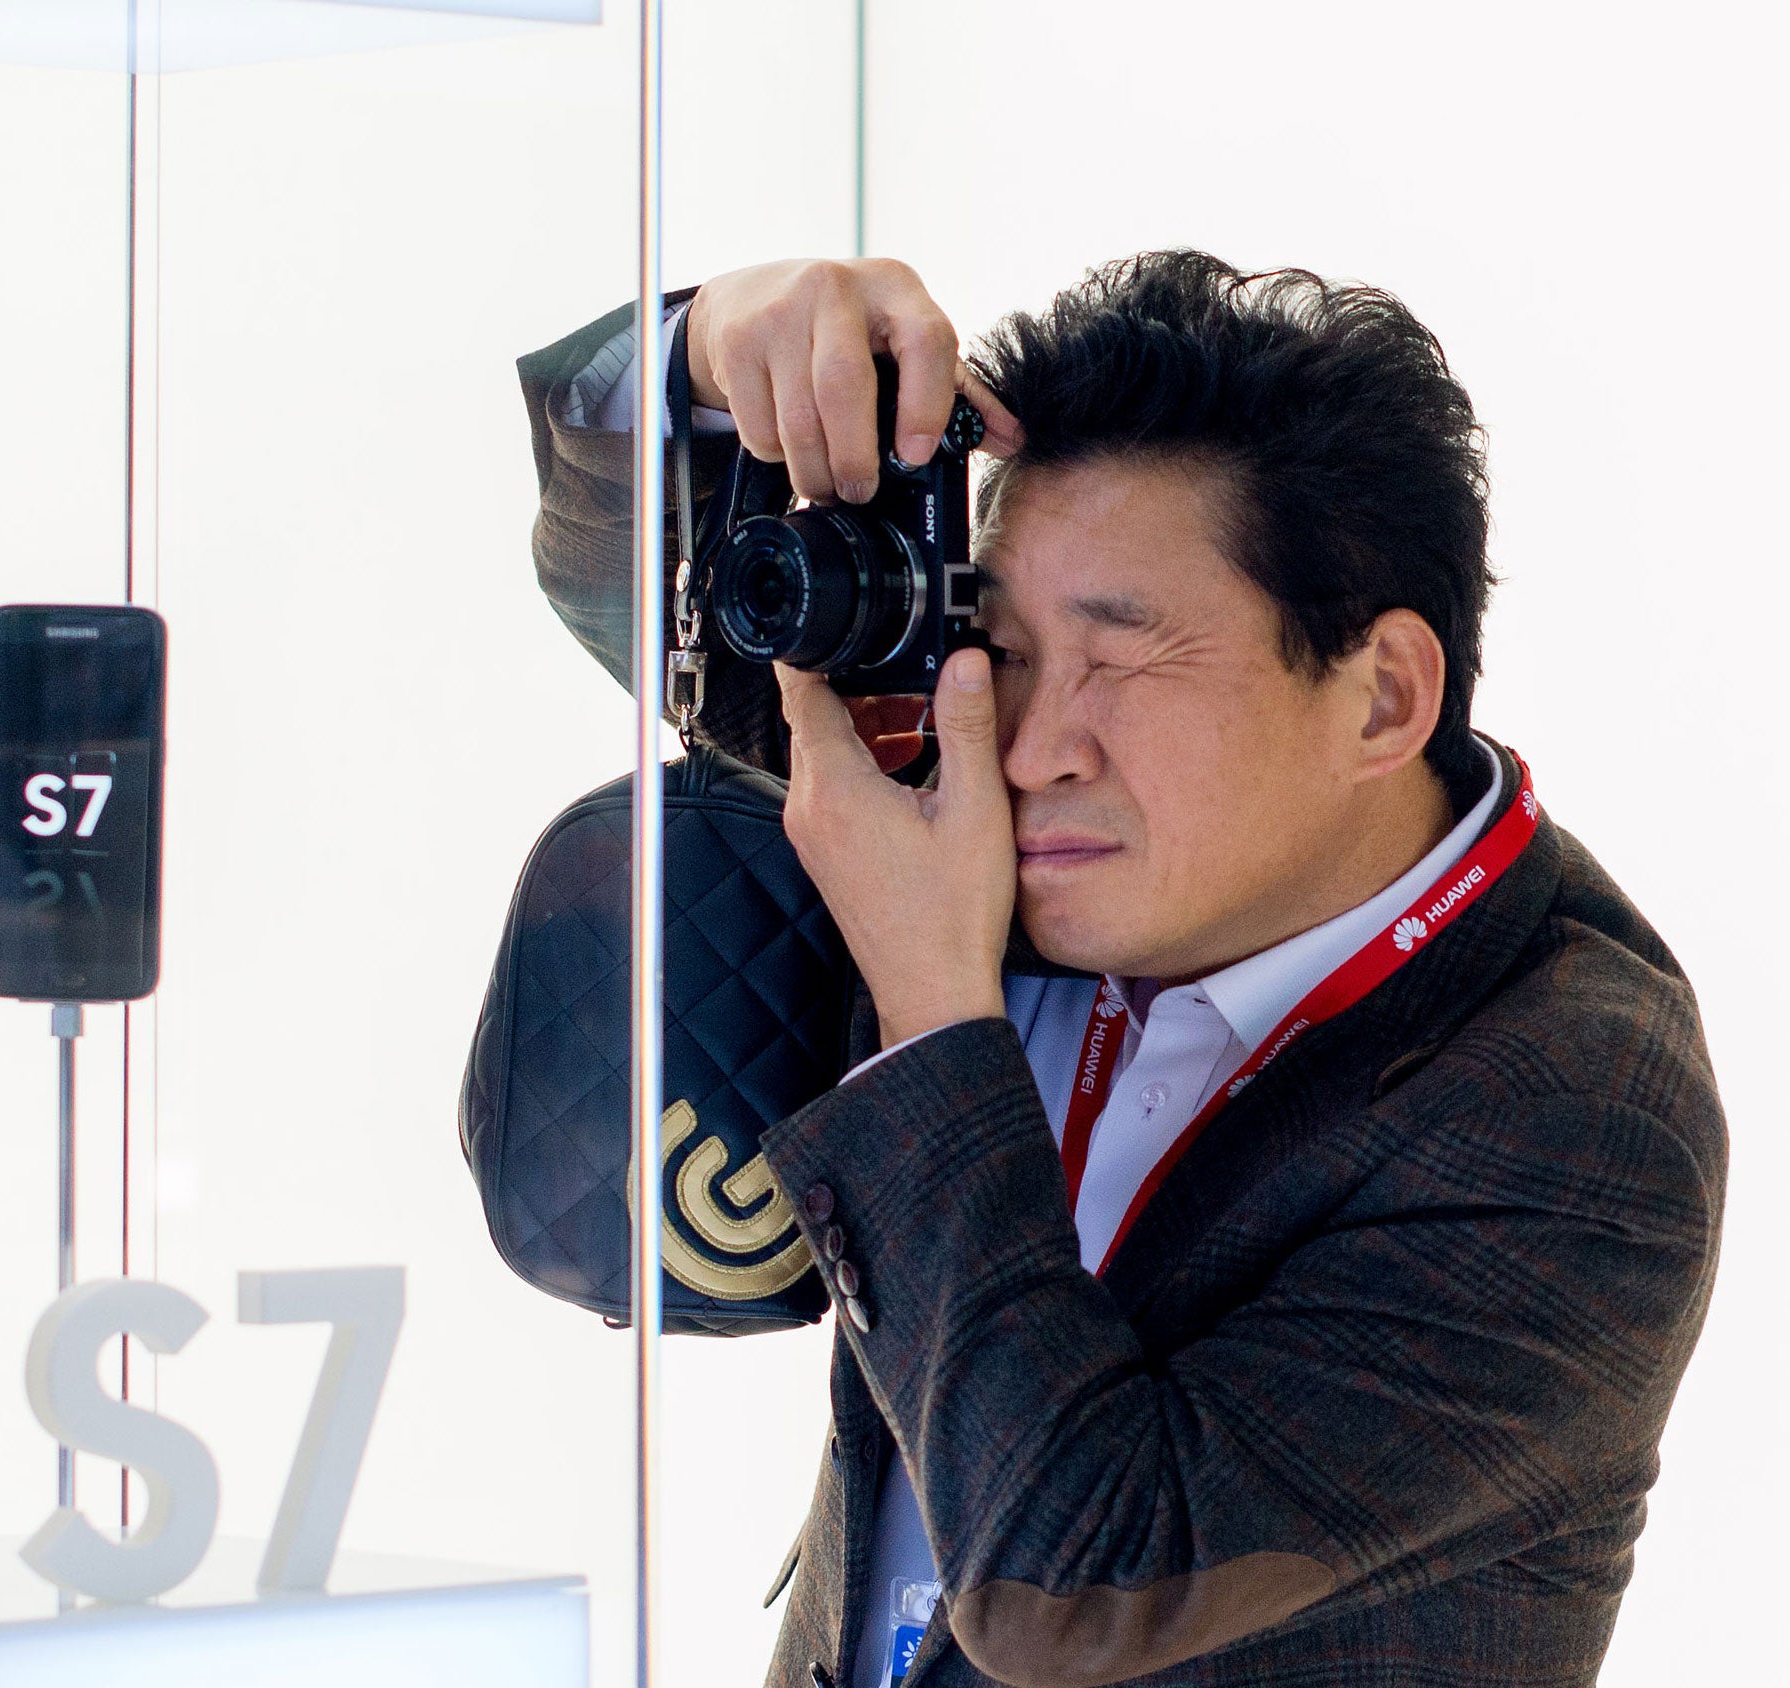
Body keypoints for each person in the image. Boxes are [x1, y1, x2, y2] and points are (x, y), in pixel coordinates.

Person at [516, 253, 1725, 1688]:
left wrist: (932, 1021)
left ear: (1385, 695)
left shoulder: (1577, 1104)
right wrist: (708, 355)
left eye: (1122, 662)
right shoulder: (1004, 798)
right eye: (1007, 644)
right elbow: (614, 566)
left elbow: (1073, 1588)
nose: (1032, 747)